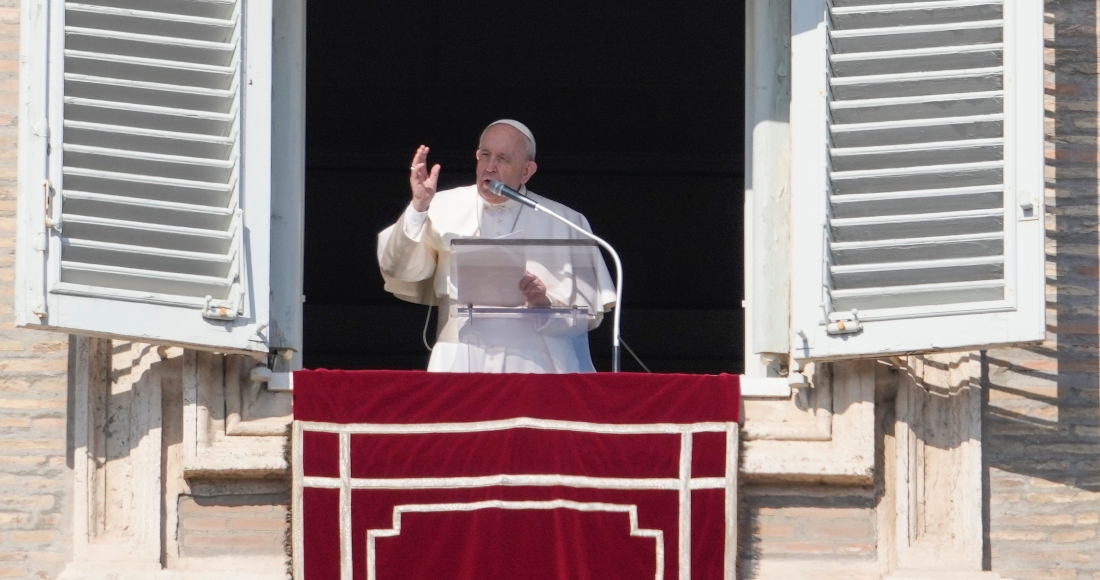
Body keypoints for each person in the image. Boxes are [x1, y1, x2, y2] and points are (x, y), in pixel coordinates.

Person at [377, 119, 616, 373]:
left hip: (536, 363)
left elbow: (587, 317)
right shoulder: (439, 205)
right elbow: (402, 269)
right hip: (459, 356)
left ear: (526, 171)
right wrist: (418, 207)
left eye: (503, 158)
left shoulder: (565, 220)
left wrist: (544, 305)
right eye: (485, 155)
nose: (490, 167)